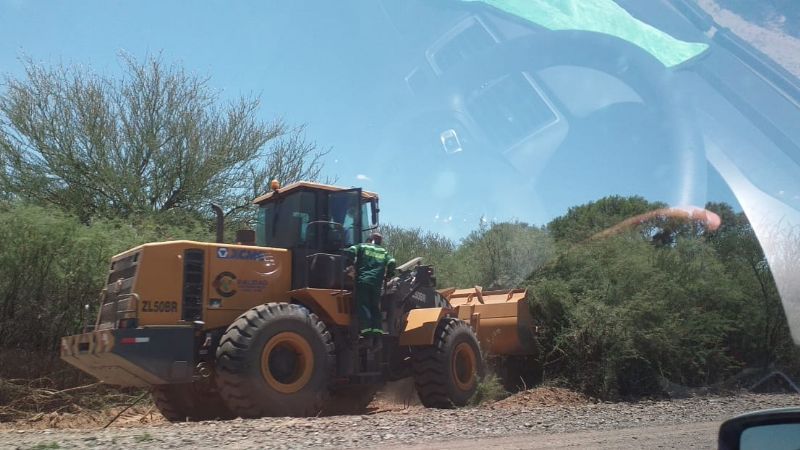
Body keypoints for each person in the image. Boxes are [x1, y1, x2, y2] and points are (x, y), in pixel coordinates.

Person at [344, 232, 396, 337]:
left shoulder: (362, 246)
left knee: (364, 305)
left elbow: (351, 250)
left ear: (370, 239)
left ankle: (366, 330)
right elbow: (392, 261)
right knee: (375, 307)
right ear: (380, 241)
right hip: (377, 284)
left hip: (363, 281)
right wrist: (389, 275)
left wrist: (349, 264)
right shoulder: (383, 251)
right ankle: (377, 331)